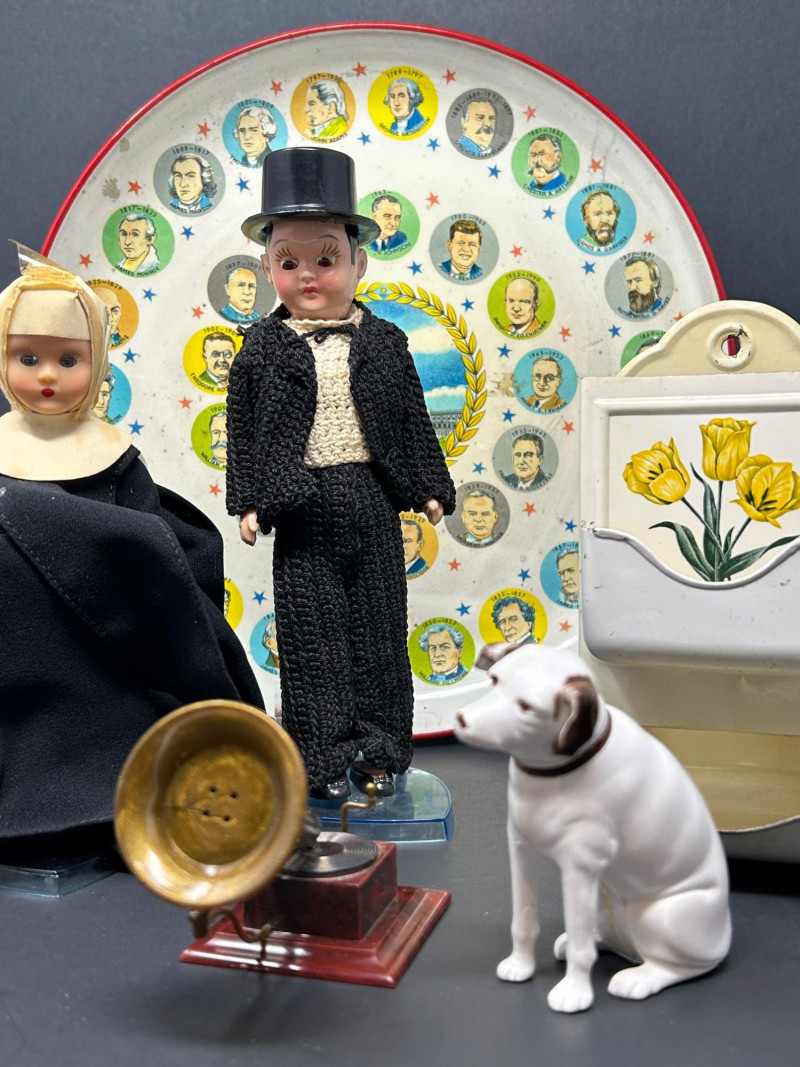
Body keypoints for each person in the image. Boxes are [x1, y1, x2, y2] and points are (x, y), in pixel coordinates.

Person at [0, 251, 262, 854]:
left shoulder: (111, 456)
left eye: (69, 360)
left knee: (118, 716)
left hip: (99, 644)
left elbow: (155, 548)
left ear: (96, 364)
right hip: (17, 645)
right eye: (27, 358)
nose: (47, 376)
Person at [228, 147, 455, 800]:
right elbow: (243, 429)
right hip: (301, 509)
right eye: (289, 262)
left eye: (326, 260)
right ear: (267, 269)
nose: (308, 275)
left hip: (372, 502)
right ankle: (322, 757)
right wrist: (249, 500)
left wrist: (428, 486)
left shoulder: (385, 342)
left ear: (358, 263)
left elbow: (411, 417)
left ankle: (382, 749)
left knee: (380, 633)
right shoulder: (260, 349)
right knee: (312, 640)